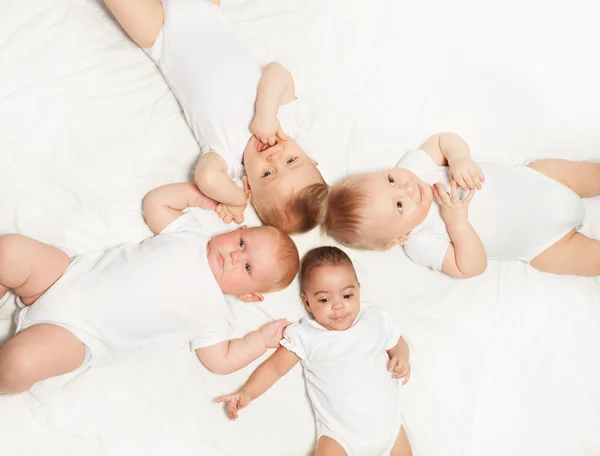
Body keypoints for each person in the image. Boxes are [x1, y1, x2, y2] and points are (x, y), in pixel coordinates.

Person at [0, 182, 299, 394]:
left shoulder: (216, 317)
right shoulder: (191, 233)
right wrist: (206, 199)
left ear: (248, 296)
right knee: (9, 251)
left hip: (78, 336)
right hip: (65, 277)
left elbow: (222, 361)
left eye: (247, 268)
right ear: (238, 230)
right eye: (242, 244)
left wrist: (261, 339)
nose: (235, 256)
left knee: (18, 363)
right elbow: (156, 202)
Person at [102, 0, 328, 233]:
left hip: (161, 35)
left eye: (267, 174)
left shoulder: (227, 158)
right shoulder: (287, 121)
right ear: (309, 157)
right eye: (292, 161)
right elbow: (277, 71)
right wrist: (266, 112)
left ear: (248, 185)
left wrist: (236, 199)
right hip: (207, 9)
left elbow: (207, 178)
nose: (275, 157)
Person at [217, 246, 413, 456]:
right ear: (307, 302)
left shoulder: (375, 318)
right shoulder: (307, 335)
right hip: (340, 436)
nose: (338, 306)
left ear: (358, 289)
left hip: (388, 428)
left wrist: (401, 357)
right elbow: (274, 368)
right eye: (324, 300)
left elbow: (398, 343)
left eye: (347, 295)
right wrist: (247, 393)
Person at [324, 132, 600, 278]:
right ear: (397, 239)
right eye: (399, 206)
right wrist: (458, 223)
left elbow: (444, 140)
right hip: (545, 245)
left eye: (391, 179)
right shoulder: (421, 244)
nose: (408, 189)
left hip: (544, 180)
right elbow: (471, 267)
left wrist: (458, 159)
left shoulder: (415, 168)